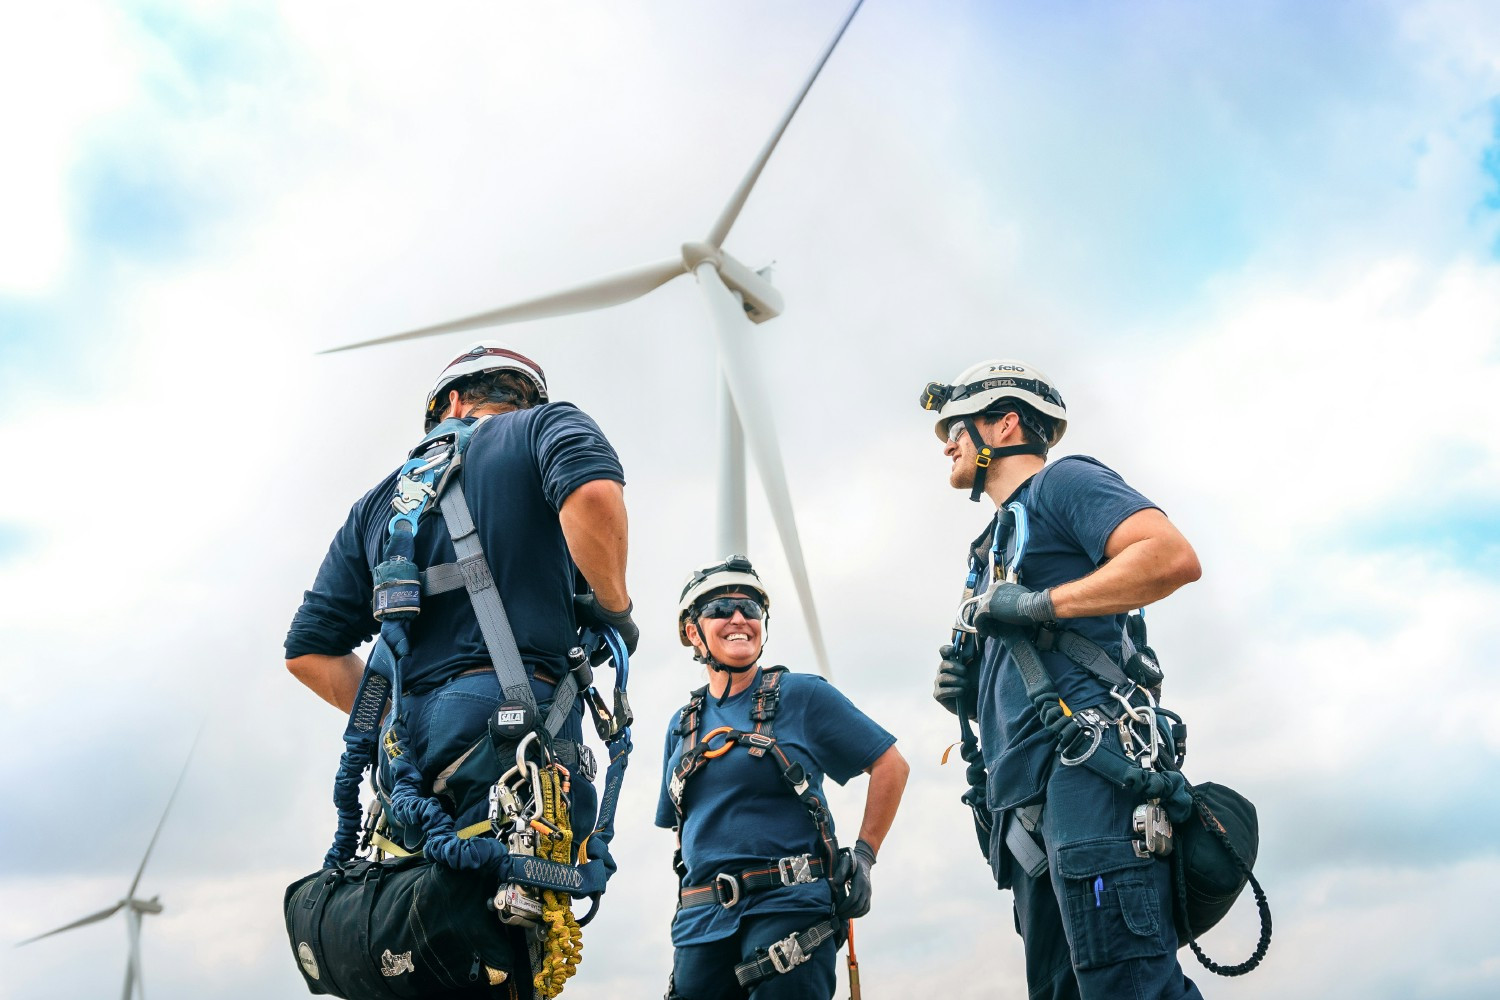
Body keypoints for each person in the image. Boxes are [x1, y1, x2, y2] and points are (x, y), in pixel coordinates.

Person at [284, 341, 637, 978]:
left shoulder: (378, 503)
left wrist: (394, 710)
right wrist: (612, 605)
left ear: (448, 402)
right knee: (500, 954)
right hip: (512, 743)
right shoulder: (545, 426)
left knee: (421, 942)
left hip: (405, 764)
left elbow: (308, 653)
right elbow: (592, 499)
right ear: (526, 396)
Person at [922, 360, 1204, 1000]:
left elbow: (1169, 556)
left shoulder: (1064, 482)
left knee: (1125, 988)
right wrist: (973, 690)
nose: (947, 444)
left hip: (1090, 773)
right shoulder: (989, 547)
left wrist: (1041, 606)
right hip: (1026, 808)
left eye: (957, 427)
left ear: (1006, 423)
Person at [657, 556, 909, 1000]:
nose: (739, 618)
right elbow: (685, 831)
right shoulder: (682, 726)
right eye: (721, 608)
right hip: (701, 926)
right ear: (693, 632)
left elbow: (891, 764)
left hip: (789, 910)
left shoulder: (802, 695)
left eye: (750, 609)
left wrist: (865, 857)